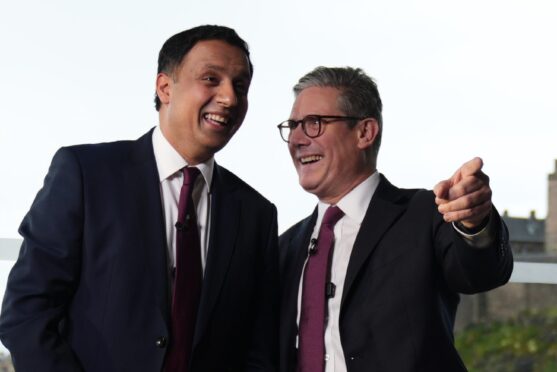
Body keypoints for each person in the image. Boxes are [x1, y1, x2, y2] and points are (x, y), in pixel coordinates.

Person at [0, 25, 278, 372]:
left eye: (240, 86)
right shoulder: (86, 174)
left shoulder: (256, 214)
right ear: (165, 87)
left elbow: (260, 346)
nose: (230, 98)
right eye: (211, 79)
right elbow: (27, 310)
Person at [277, 66, 513, 372]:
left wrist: (474, 222)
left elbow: (482, 273)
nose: (297, 138)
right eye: (293, 126)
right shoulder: (284, 249)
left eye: (314, 124)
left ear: (364, 132)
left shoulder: (426, 212)